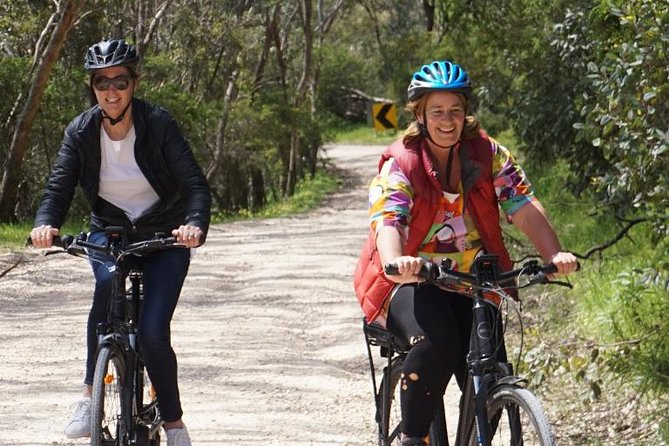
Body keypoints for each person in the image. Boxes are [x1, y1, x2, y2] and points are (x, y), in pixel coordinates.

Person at [353, 60, 578, 446]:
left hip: (476, 280)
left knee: (487, 369)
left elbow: (523, 206)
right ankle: (412, 438)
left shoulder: (488, 155)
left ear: (466, 113)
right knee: (438, 343)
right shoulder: (402, 163)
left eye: (455, 110)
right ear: (419, 114)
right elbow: (389, 218)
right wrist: (398, 261)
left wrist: (555, 255)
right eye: (437, 111)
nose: (447, 119)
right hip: (414, 279)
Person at [30, 39, 211, 446]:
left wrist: (194, 225)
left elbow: (194, 184)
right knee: (106, 288)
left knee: (151, 331)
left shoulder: (158, 123)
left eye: (120, 81)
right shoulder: (80, 131)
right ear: (92, 88)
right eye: (102, 83)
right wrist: (45, 224)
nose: (111, 91)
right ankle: (88, 395)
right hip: (110, 231)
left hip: (164, 235)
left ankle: (174, 425)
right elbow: (58, 188)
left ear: (133, 84)